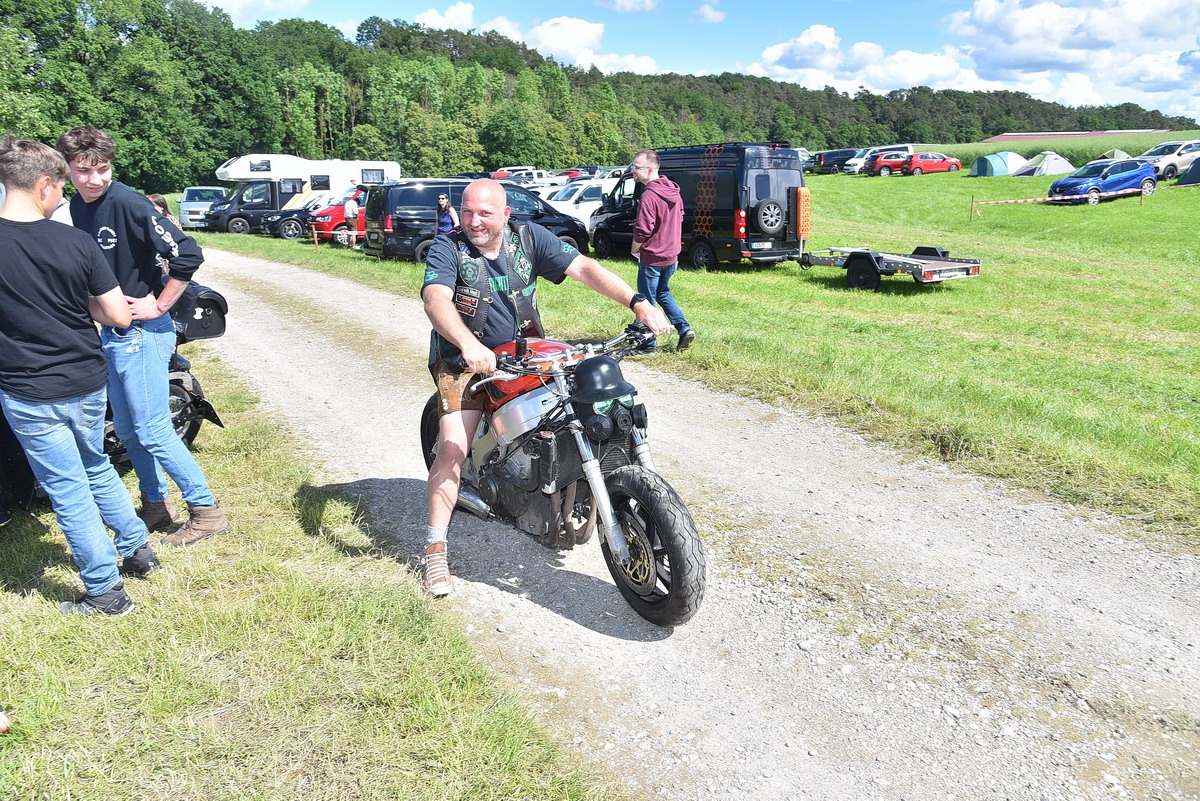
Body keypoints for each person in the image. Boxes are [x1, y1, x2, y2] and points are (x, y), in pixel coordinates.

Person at [420, 178, 669, 596]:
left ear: (505, 214)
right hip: (465, 359)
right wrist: (468, 344)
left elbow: (583, 268)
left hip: (526, 352)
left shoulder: (529, 238)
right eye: (467, 212)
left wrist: (637, 301)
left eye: (484, 213)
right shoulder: (450, 247)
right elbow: (435, 299)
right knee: (452, 450)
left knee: (578, 408)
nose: (473, 221)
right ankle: (434, 548)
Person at [0, 135, 158, 616]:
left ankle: (106, 593)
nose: (62, 197)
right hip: (86, 379)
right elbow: (118, 315)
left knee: (67, 488)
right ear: (43, 185)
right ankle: (138, 550)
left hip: (29, 388)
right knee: (95, 465)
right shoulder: (76, 241)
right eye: (60, 187)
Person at [56, 126, 231, 547]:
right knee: (128, 430)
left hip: (144, 331)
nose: (94, 179)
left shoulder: (129, 203)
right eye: (84, 171)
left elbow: (187, 253)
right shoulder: (74, 207)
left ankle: (206, 511)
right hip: (113, 332)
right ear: (67, 170)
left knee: (152, 429)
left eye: (102, 169)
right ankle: (155, 504)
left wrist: (161, 305)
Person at [629, 150, 694, 354]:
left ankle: (648, 346)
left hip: (653, 257)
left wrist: (634, 249)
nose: (632, 170)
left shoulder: (649, 195)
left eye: (636, 167)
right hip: (671, 256)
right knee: (663, 292)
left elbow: (642, 229)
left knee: (645, 302)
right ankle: (684, 328)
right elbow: (680, 218)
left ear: (649, 170)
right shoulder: (673, 190)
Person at [342, 185, 360, 249]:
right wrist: (357, 217)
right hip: (352, 218)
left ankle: (349, 244)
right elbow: (355, 212)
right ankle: (353, 246)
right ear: (357, 202)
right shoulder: (354, 203)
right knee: (353, 233)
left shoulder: (347, 202)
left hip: (347, 218)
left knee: (349, 232)